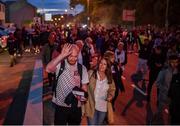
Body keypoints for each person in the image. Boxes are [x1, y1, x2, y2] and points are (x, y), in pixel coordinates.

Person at [46, 43, 89, 125]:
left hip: (76, 107)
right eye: (70, 56)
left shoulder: (82, 68)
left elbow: (84, 87)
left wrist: (83, 98)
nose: (73, 59)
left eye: (75, 56)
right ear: (66, 55)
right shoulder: (60, 65)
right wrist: (61, 55)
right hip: (61, 106)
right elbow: (48, 69)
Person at [85, 57, 115, 125]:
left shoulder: (109, 78)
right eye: (101, 63)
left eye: (104, 64)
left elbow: (112, 90)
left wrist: (110, 95)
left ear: (107, 67)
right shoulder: (91, 73)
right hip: (91, 106)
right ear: (98, 64)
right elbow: (84, 84)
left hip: (103, 108)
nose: (102, 65)